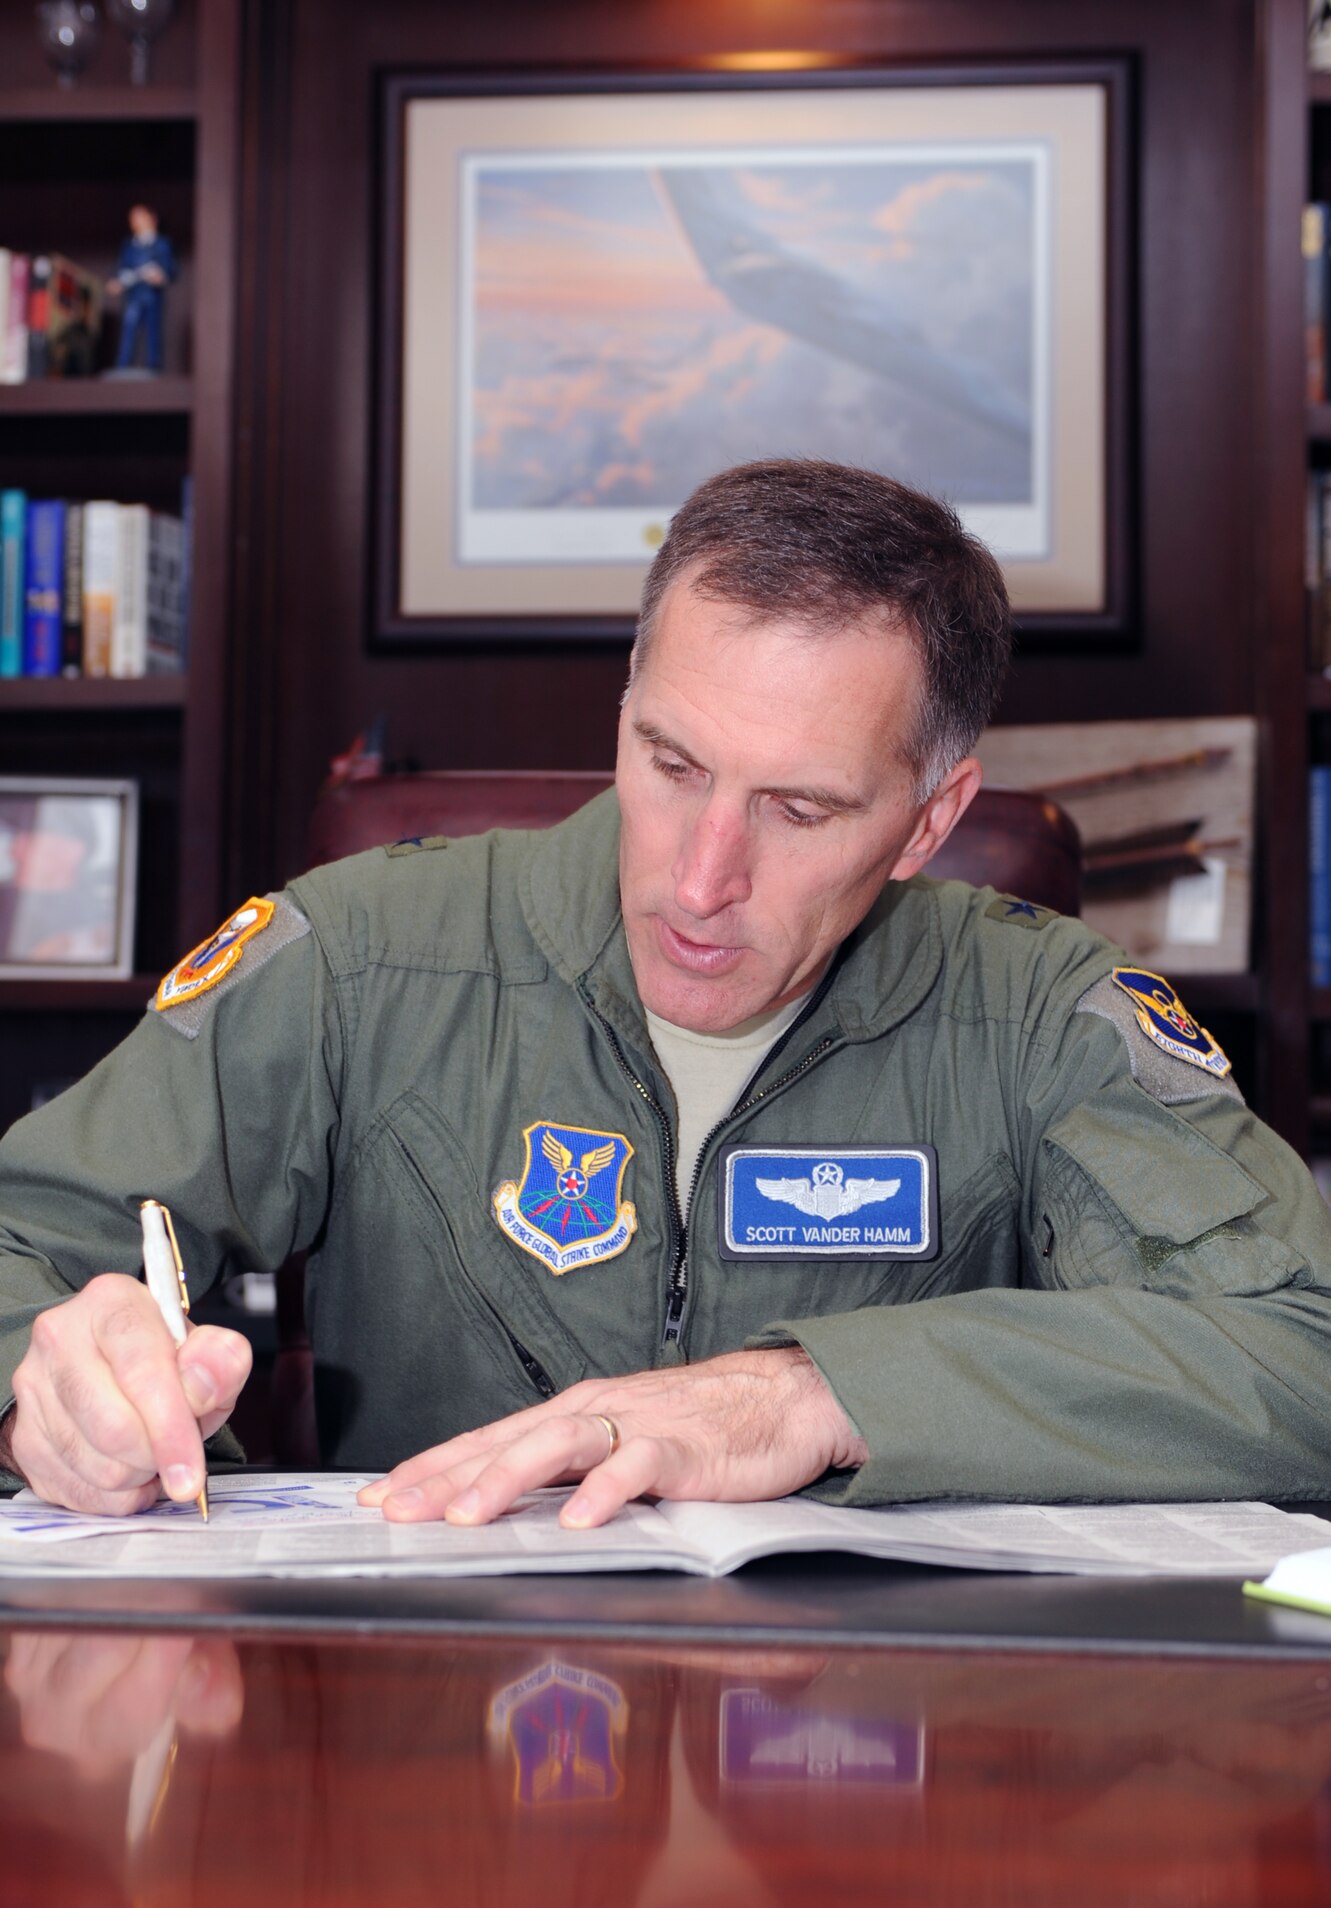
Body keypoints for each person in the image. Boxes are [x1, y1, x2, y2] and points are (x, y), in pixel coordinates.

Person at [2, 459, 1331, 1523]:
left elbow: (1301, 1351)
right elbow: (23, 1241)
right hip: (423, 1771)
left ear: (929, 822)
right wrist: (45, 1393)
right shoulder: (355, 958)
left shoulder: (1040, 1018)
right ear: (624, 705)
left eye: (799, 808)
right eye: (671, 763)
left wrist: (814, 1396)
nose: (701, 881)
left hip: (883, 1772)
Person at [105, 203, 177, 374]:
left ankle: (154, 365)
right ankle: (123, 364)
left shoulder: (162, 244)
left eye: (139, 218)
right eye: (133, 219)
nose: (135, 223)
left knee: (153, 332)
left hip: (152, 296)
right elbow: (121, 267)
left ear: (152, 219)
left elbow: (171, 269)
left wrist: (161, 276)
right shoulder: (129, 245)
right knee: (129, 329)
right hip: (134, 295)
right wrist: (117, 281)